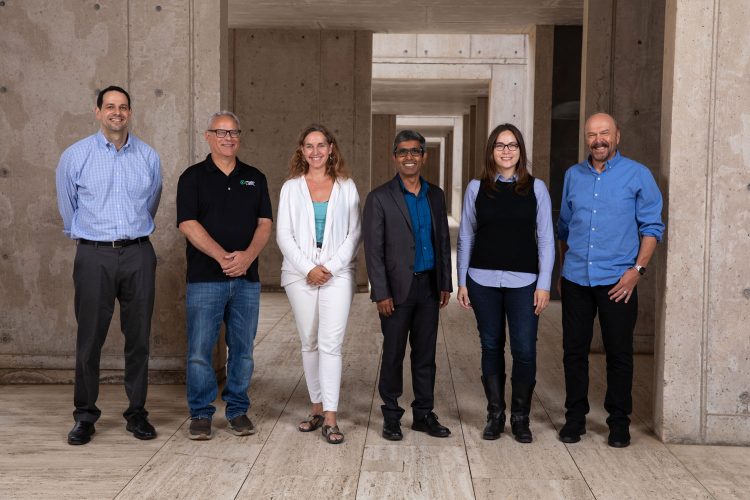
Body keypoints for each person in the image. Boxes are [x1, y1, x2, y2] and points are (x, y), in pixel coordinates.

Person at [56, 85, 163, 445]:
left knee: (138, 340)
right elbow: (68, 208)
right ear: (98, 111)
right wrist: (91, 241)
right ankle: (85, 416)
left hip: (137, 253)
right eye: (110, 106)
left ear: (130, 113)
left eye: (123, 107)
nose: (117, 112)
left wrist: (130, 239)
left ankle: (137, 414)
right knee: (89, 339)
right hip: (93, 255)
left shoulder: (148, 156)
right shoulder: (76, 156)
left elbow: (151, 203)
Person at [557, 112, 664, 448]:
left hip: (618, 281)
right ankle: (574, 418)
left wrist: (637, 271)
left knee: (619, 353)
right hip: (576, 278)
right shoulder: (573, 175)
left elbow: (652, 228)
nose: (598, 140)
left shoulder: (638, 175)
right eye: (592, 134)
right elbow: (565, 226)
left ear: (617, 136)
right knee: (573, 352)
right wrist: (564, 267)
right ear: (586, 139)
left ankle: (618, 422)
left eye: (604, 133)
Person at [176, 111, 273, 440]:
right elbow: (188, 223)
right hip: (205, 279)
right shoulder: (192, 177)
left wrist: (246, 258)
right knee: (200, 351)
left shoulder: (254, 177)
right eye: (221, 132)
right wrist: (222, 257)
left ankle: (237, 410)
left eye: (233, 132)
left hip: (247, 280)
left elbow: (264, 224)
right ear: (208, 136)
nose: (228, 138)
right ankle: (201, 413)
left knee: (242, 350)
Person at [456, 123, 554, 443]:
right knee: (491, 346)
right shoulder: (476, 188)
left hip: (524, 282)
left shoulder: (536, 188)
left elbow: (546, 240)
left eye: (512, 145)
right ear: (491, 151)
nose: (507, 151)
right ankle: (495, 415)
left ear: (520, 151)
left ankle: (521, 417)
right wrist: (462, 281)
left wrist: (544, 284)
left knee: (525, 350)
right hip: (482, 280)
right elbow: (467, 235)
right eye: (500, 145)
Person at [363, 130, 452, 441]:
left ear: (424, 156)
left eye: (415, 151)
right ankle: (391, 415)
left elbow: (442, 240)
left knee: (426, 354)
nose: (409, 157)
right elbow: (373, 251)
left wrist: (446, 282)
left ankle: (424, 414)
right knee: (393, 353)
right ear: (395, 157)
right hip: (396, 290)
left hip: (429, 286)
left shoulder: (436, 195)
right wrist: (381, 292)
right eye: (403, 152)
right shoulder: (379, 198)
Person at [276, 124, 361, 445]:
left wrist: (329, 267)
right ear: (301, 150)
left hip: (338, 275)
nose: (315, 152)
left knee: (331, 344)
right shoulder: (291, 188)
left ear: (331, 149)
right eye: (309, 146)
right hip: (300, 275)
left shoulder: (346, 186)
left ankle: (331, 417)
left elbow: (355, 233)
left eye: (321, 145)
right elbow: (284, 235)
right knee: (309, 342)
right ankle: (315, 408)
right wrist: (310, 268)